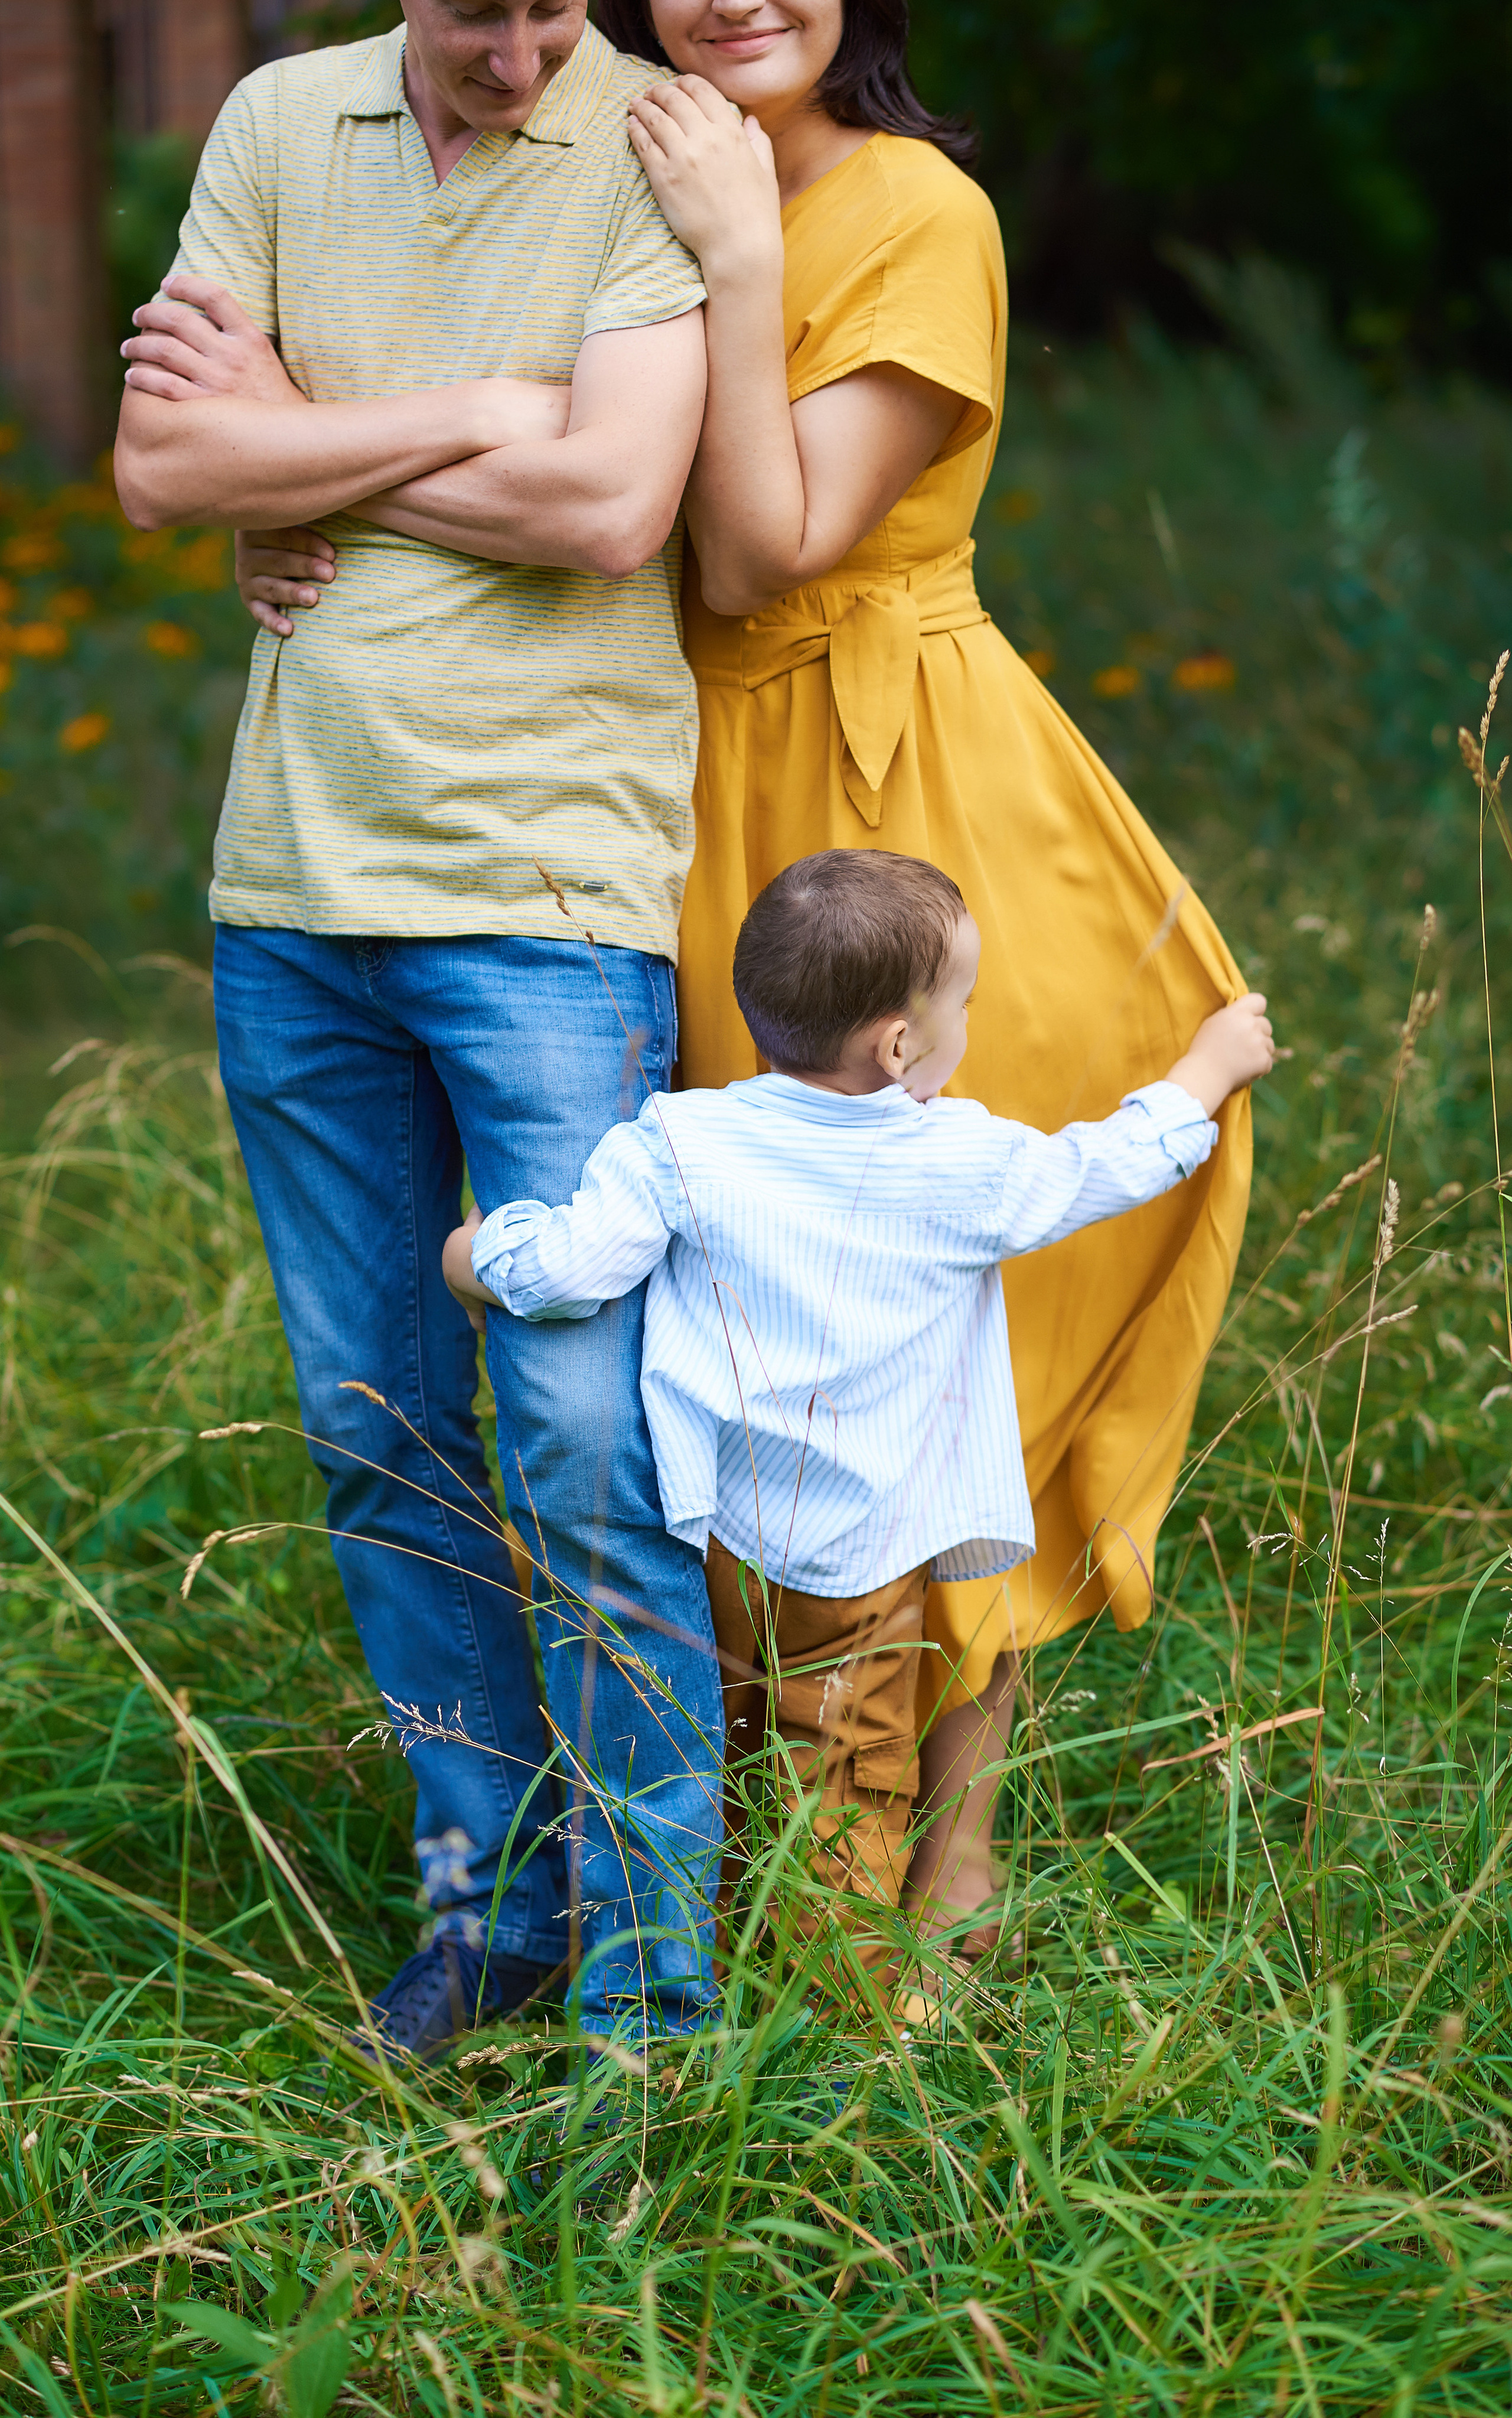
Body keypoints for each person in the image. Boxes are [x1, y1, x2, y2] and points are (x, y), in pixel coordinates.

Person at [234, 1, 1254, 1961]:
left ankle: (950, 1848)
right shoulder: (580, 163)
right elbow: (350, 429)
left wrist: (726, 259)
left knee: (958, 1322)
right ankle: (699, 1835)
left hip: (903, 788)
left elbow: (761, 554)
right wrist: (299, 494)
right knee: (729, 1304)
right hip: (655, 789)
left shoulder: (918, 208)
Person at [113, 0, 728, 2059]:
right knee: (378, 1433)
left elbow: (612, 515)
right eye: (484, 15)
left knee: (579, 1443)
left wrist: (312, 440)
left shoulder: (651, 136)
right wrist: (485, 404)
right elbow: (162, 463)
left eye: (560, 8)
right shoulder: (284, 122)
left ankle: (651, 1978)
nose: (525, 53)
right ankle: (494, 1909)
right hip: (291, 893)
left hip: (549, 903)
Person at [440, 852, 1275, 1996]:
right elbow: (1102, 1166)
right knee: (844, 1782)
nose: (967, 1026)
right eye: (964, 1005)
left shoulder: (679, 1139)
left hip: (714, 1541)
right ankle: (852, 2017)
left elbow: (574, 1263)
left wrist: (477, 1253)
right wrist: (1203, 1068)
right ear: (896, 1046)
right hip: (860, 1569)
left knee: (715, 1747)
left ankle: (701, 1957)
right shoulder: (958, 1160)